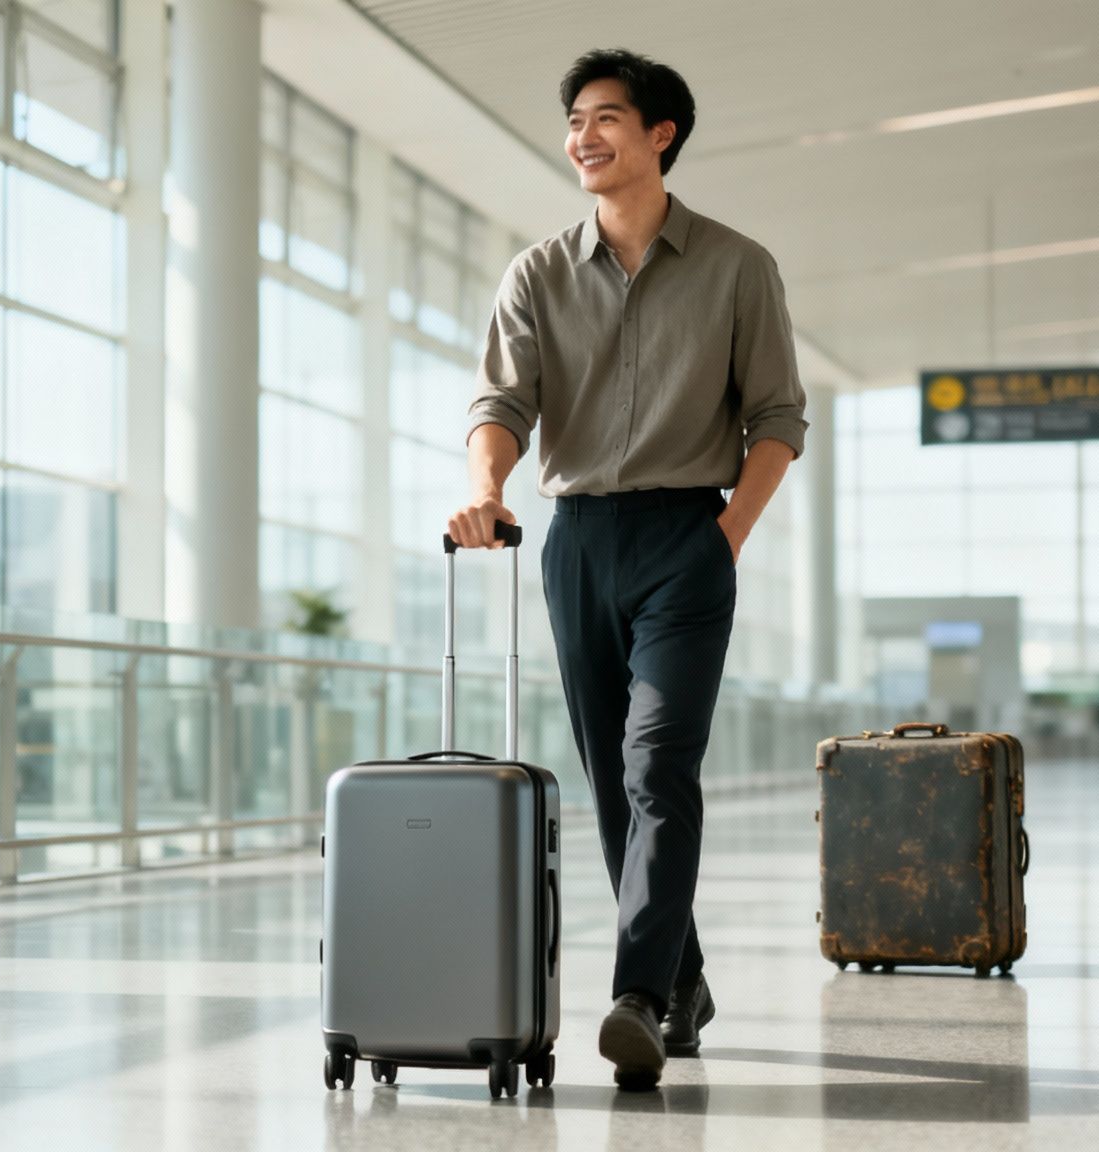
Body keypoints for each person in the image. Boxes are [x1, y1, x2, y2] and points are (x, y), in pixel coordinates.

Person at [447, 48, 808, 1090]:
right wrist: (487, 487)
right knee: (611, 782)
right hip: (578, 542)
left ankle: (638, 996)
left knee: (657, 766)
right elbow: (500, 405)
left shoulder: (739, 266)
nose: (582, 138)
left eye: (606, 118)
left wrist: (727, 535)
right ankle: (681, 977)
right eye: (573, 121)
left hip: (687, 540)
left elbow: (776, 416)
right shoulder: (537, 273)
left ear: (661, 135)